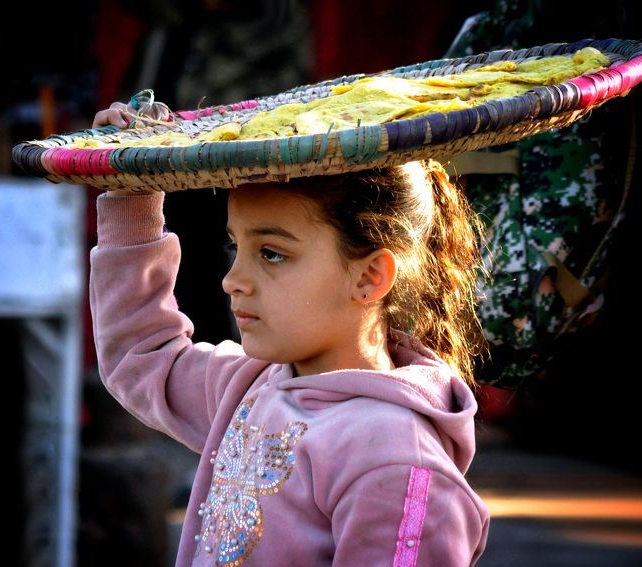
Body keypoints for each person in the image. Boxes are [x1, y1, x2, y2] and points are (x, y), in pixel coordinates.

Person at [89, 104, 490, 566]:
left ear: (369, 277)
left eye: (272, 253)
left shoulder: (397, 461)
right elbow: (145, 356)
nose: (232, 279)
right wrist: (129, 195)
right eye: (234, 246)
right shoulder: (252, 385)